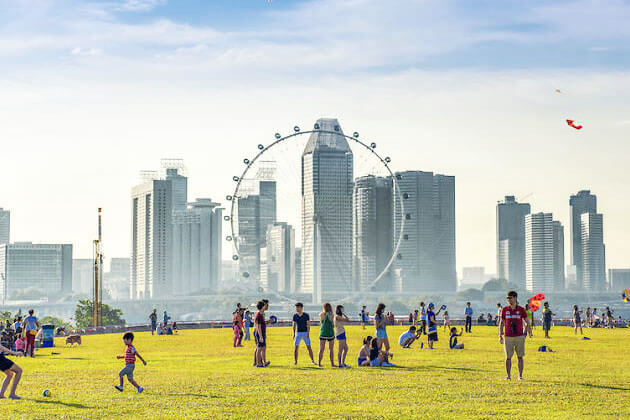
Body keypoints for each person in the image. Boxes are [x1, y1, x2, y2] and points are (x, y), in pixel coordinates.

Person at [498, 291, 531, 381]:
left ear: (515, 298)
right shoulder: (504, 309)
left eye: (510, 298)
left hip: (519, 336)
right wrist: (500, 335)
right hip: (508, 336)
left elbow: (527, 322)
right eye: (507, 298)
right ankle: (508, 375)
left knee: (520, 356)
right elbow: (501, 323)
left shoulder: (521, 309)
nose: (508, 300)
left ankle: (520, 376)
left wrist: (525, 333)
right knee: (508, 357)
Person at [318, 303, 335, 367]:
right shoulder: (332, 314)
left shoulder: (321, 314)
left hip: (323, 332)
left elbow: (321, 322)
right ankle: (332, 364)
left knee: (321, 349)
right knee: (331, 349)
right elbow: (332, 322)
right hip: (330, 332)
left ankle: (319, 363)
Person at [254, 301, 269, 368]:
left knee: (262, 347)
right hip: (260, 333)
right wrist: (260, 337)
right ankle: (258, 363)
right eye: (264, 305)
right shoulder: (258, 315)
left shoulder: (260, 314)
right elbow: (258, 326)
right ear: (262, 306)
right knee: (259, 348)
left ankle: (263, 362)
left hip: (262, 333)